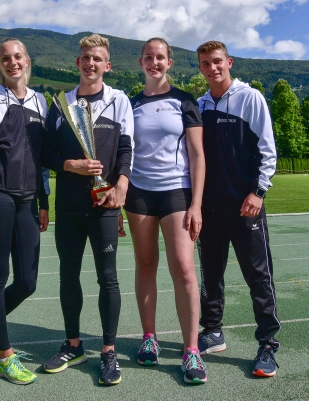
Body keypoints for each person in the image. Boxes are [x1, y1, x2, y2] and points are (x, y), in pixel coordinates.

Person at [41, 34, 134, 386]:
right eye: (85, 58)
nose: (90, 63)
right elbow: (45, 153)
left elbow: (127, 148)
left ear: (106, 65)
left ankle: (108, 351)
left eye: (97, 59)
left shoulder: (118, 100)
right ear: (77, 63)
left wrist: (122, 185)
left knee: (107, 278)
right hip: (68, 207)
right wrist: (69, 165)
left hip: (106, 204)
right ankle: (73, 344)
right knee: (68, 276)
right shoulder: (60, 104)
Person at [124, 37, 207, 384]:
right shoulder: (130, 104)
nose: (154, 62)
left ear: (169, 62)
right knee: (146, 265)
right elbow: (123, 154)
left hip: (176, 191)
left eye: (160, 57)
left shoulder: (184, 101)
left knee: (185, 270)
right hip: (140, 193)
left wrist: (197, 204)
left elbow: (198, 155)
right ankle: (149, 339)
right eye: (148, 57)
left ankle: (191, 351)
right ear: (141, 62)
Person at [196, 40, 280, 377]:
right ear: (200, 68)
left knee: (258, 277)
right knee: (211, 276)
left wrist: (258, 192)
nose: (212, 68)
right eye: (205, 64)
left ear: (229, 62)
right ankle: (213, 331)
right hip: (209, 209)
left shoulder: (250, 98)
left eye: (217, 62)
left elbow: (268, 150)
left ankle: (268, 345)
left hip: (245, 206)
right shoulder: (199, 105)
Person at [0, 37, 49, 385]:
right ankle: (5, 356)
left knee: (28, 282)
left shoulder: (41, 102)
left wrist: (45, 201)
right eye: (5, 58)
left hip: (29, 199)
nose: (12, 62)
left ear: (27, 61)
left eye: (17, 56)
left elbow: (43, 158)